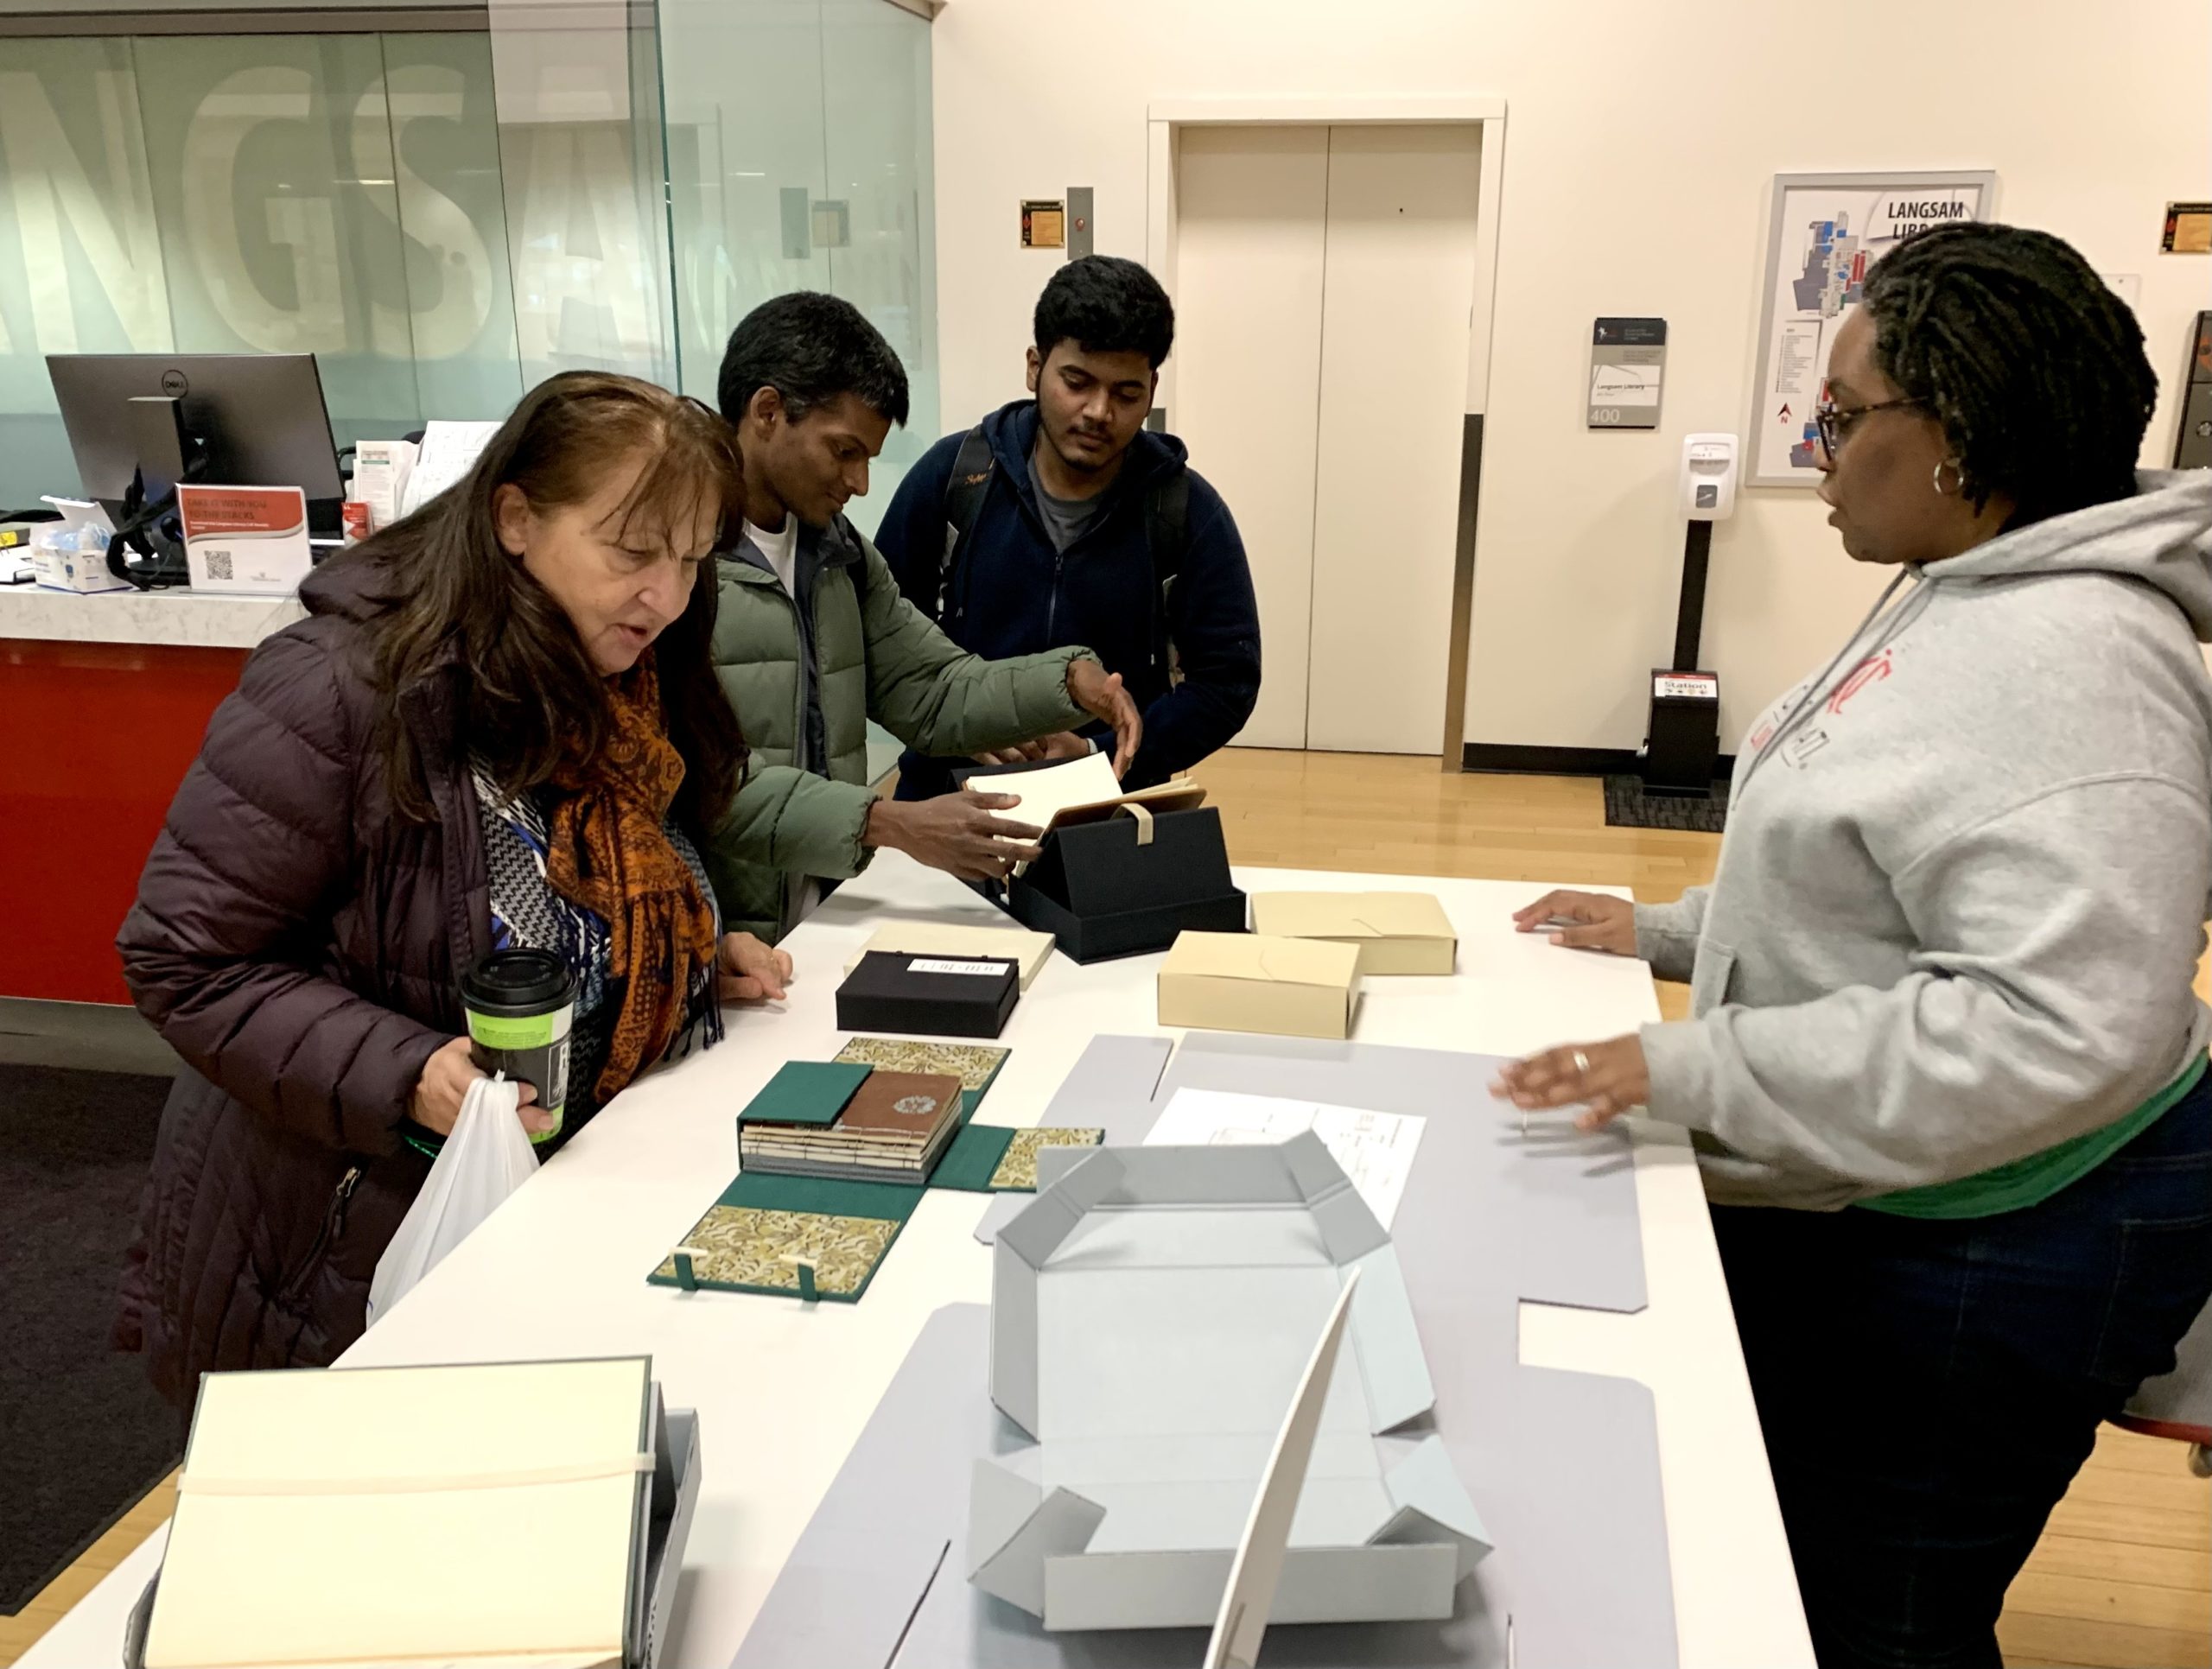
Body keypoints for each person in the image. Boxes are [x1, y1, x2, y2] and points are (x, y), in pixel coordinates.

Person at [1495, 223, 2212, 1668]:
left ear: (1956, 435)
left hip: (2019, 1220)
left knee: (1876, 1606)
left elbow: (2056, 1025)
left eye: (1839, 415)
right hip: (1932, 1176)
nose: (1817, 451)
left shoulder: (2075, 660)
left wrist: (1692, 1065)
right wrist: (1668, 933)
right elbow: (1880, 884)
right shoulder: (1968, 584)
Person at [115, 372, 792, 1408]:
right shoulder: (346, 687)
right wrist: (406, 1073)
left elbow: (610, 883)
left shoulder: (622, 680)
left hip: (553, 1212)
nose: (668, 594)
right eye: (633, 550)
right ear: (515, 518)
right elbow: (186, 958)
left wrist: (690, 949)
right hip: (343, 1246)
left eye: (695, 559)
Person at [702, 291, 1143, 942]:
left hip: (818, 928)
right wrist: (890, 824)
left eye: (868, 458)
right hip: (712, 941)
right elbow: (702, 782)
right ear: (767, 411)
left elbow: (934, 690)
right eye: (844, 451)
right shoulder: (672, 569)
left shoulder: (840, 555)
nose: (860, 483)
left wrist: (1067, 682)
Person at [874, 254, 1261, 798]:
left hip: (1113, 811)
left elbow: (1227, 683)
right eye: (1077, 382)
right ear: (1035, 366)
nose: (1099, 411)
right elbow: (878, 641)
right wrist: (954, 727)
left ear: (1151, 388)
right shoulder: (954, 479)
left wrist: (1100, 753)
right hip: (948, 803)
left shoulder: (1186, 510)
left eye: (1126, 394)